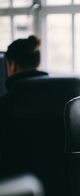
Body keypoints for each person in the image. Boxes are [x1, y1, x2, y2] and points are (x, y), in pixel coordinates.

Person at [0, 35, 48, 176]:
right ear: (37, 65)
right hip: (58, 182)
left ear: (12, 65)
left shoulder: (5, 104)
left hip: (15, 184)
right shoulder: (62, 98)